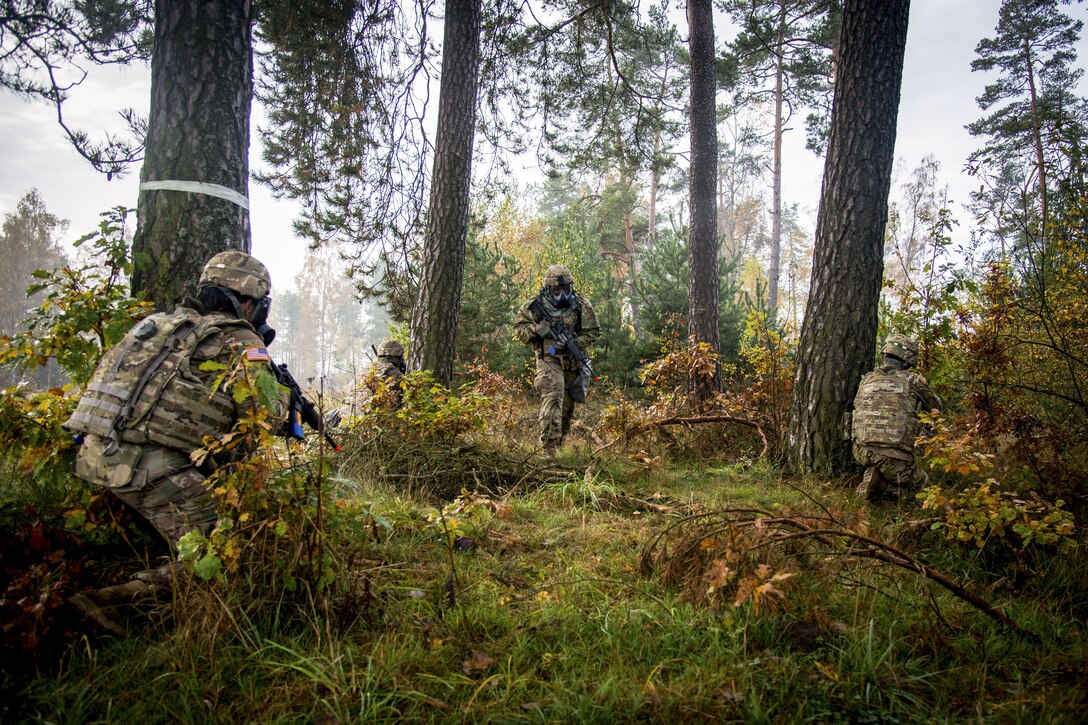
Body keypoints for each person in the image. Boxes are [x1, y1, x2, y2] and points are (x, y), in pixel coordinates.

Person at [63, 251, 290, 629]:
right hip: (147, 469)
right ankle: (111, 605)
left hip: (92, 455)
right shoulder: (239, 337)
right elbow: (264, 416)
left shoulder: (158, 324)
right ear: (249, 303)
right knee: (234, 552)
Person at [513, 264, 600, 457]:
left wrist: (575, 343)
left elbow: (594, 332)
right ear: (548, 288)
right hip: (548, 356)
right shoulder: (534, 306)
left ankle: (559, 445)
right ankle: (548, 449)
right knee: (554, 394)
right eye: (557, 289)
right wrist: (536, 330)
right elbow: (519, 331)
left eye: (565, 289)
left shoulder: (581, 305)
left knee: (568, 403)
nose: (562, 294)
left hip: (571, 359)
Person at [851, 334, 942, 500]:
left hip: (861, 452)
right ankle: (886, 486)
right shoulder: (913, 381)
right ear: (908, 361)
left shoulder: (867, 379)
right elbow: (937, 408)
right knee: (928, 494)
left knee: (890, 470)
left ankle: (878, 478)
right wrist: (924, 385)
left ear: (886, 355)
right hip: (894, 460)